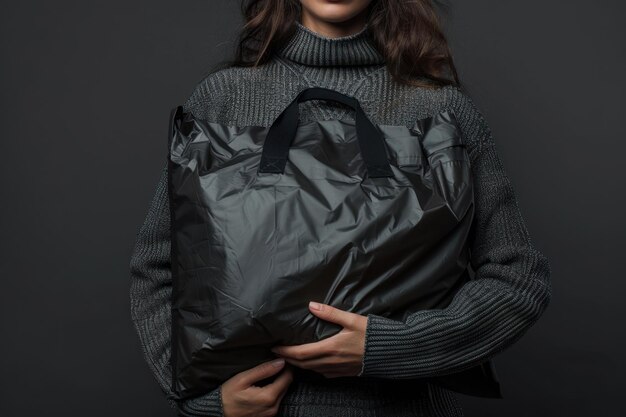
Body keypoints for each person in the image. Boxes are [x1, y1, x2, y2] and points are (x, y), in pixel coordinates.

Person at [129, 1, 553, 416]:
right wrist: (206, 405)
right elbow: (157, 267)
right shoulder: (223, 99)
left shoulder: (442, 110)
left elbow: (519, 280)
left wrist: (389, 347)